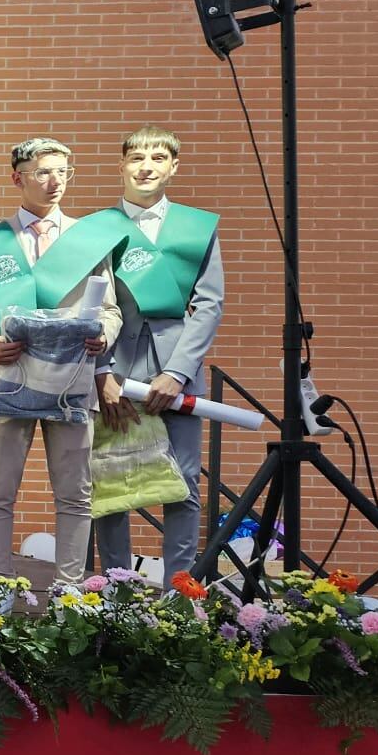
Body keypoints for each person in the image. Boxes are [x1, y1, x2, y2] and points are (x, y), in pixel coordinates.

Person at [0, 138, 125, 584]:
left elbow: (110, 309)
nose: (55, 182)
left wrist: (104, 334)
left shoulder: (87, 239)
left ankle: (70, 594)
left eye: (63, 172)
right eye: (43, 172)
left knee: (75, 494)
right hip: (8, 377)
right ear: (18, 177)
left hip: (71, 380)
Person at [91, 125, 226, 583]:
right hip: (114, 367)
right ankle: (114, 596)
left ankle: (180, 596)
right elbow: (85, 305)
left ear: (173, 167)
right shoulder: (97, 228)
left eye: (157, 158)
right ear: (122, 165)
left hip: (176, 370)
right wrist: (101, 372)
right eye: (136, 157)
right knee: (110, 484)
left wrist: (178, 372)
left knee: (183, 484)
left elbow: (209, 304)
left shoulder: (196, 227)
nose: (146, 166)